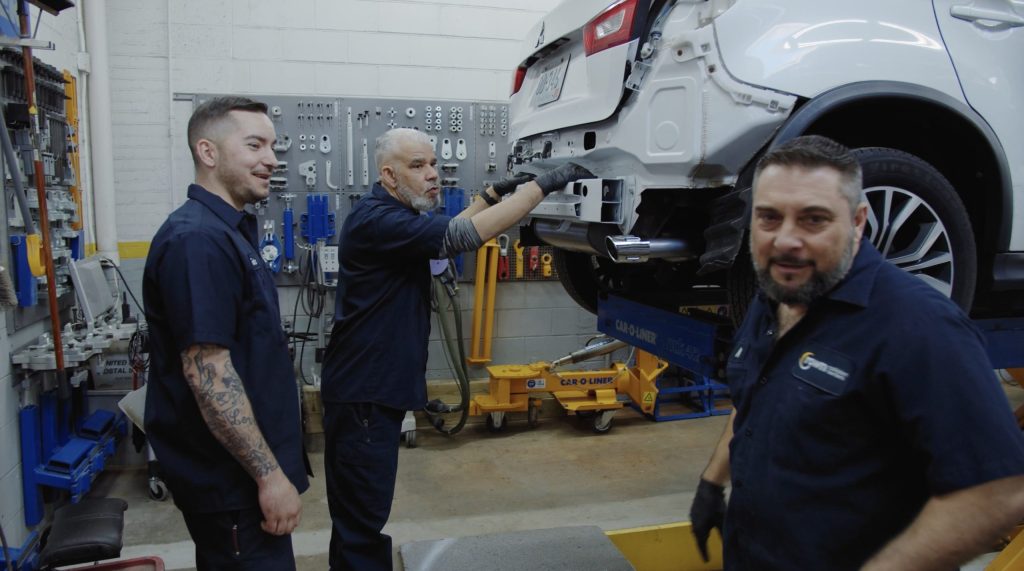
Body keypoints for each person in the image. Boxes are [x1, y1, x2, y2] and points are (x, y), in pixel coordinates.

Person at [688, 135, 1024, 570]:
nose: (786, 240)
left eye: (813, 220)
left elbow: (999, 491)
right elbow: (757, 398)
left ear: (859, 221)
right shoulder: (776, 294)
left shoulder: (918, 327)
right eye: (769, 218)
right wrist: (713, 483)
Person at [320, 128, 591, 570]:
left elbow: (448, 229)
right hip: (363, 397)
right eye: (418, 166)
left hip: (367, 392)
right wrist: (542, 186)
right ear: (389, 175)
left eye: (434, 165)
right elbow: (463, 237)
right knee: (361, 522)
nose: (433, 175)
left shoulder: (391, 217)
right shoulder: (378, 221)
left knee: (359, 516)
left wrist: (490, 195)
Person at [143, 96, 310, 570]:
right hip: (232, 485)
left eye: (273, 146)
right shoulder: (197, 240)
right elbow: (208, 374)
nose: (272, 160)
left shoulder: (228, 231)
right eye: (254, 145)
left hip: (240, 481)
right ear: (208, 153)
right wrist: (269, 478)